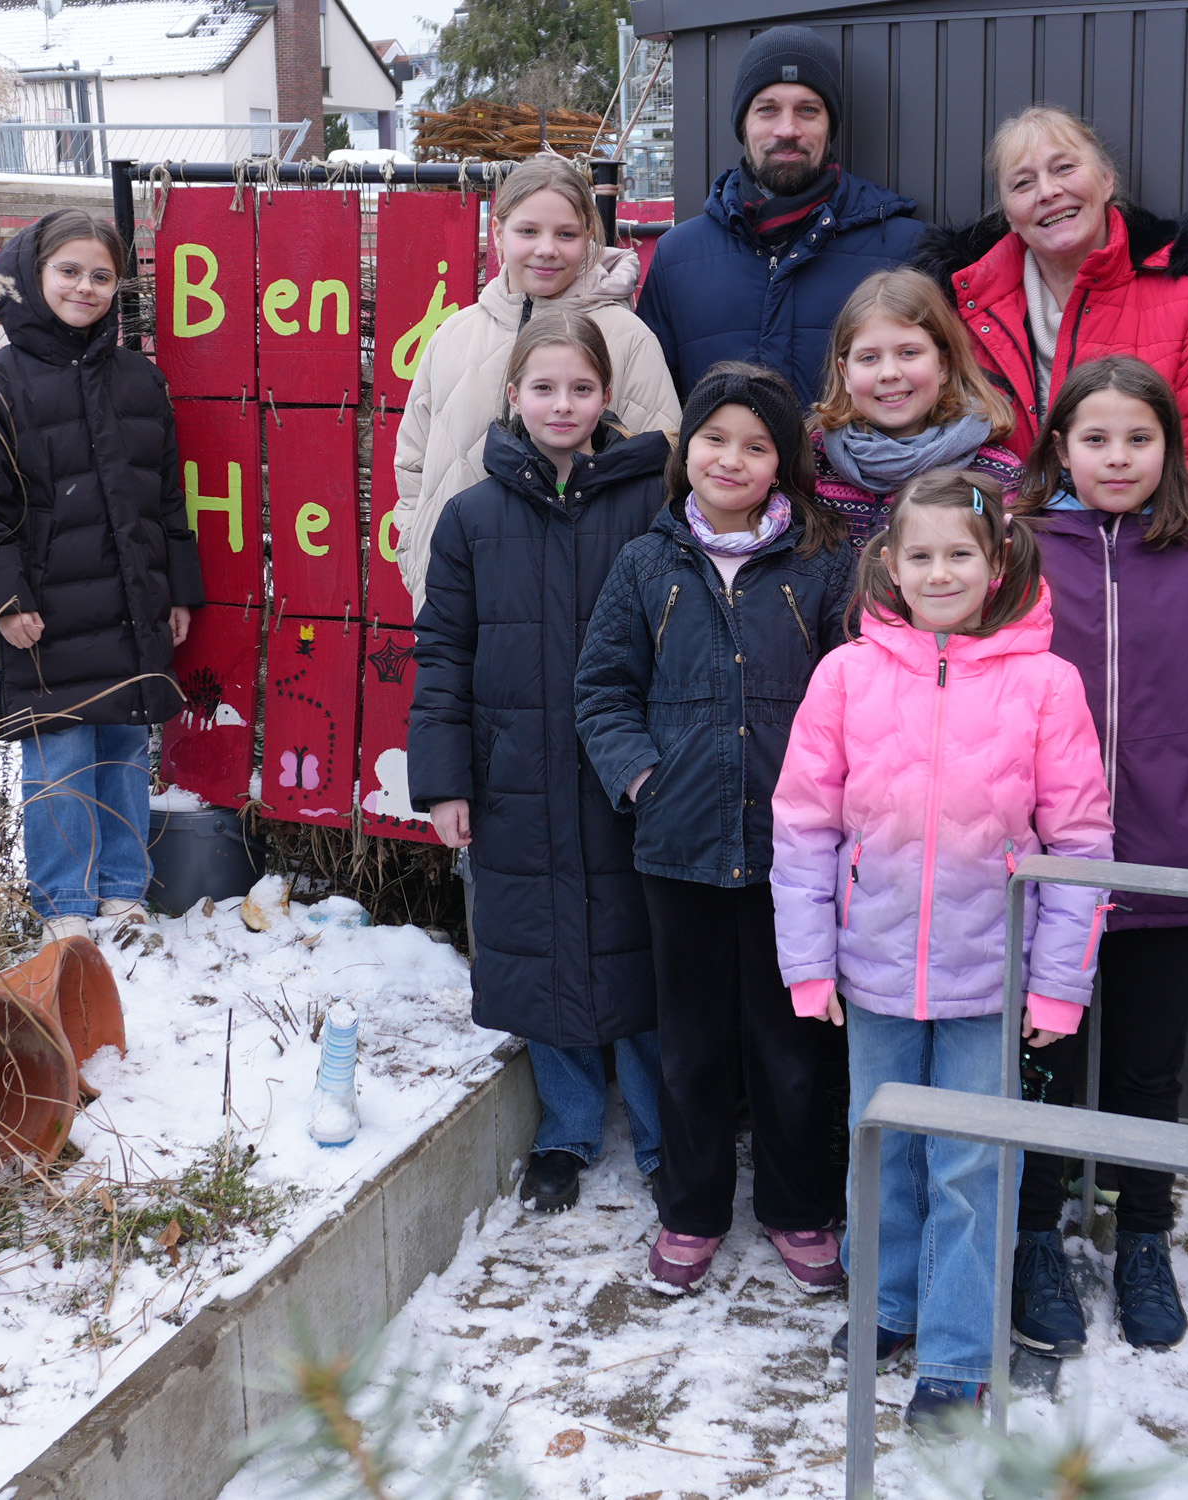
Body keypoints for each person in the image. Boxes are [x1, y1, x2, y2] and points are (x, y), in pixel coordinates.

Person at [770, 469, 1113, 1433]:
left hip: (991, 977)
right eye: (919, 554)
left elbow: (1081, 843)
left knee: (972, 1163)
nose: (940, 571)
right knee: (881, 1148)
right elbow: (803, 824)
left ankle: (961, 1353)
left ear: (998, 560)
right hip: (871, 964)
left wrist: (1056, 986)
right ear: (889, 562)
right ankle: (887, 1306)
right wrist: (809, 961)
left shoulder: (1047, 684)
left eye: (960, 552)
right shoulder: (847, 674)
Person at [1006, 356, 1188, 1353]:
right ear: (1059, 450)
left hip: (1170, 864)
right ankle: (1032, 1236)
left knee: (1144, 1073)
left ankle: (1139, 1238)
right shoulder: (1020, 554)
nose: (1116, 457)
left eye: (1137, 438)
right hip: (1044, 875)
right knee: (1040, 1059)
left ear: (1166, 449)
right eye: (1094, 438)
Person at [574, 363, 854, 1298]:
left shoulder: (821, 564)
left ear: (785, 463)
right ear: (685, 448)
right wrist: (643, 777)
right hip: (680, 847)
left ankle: (798, 1205)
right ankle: (691, 1213)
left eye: (756, 444)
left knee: (793, 1043)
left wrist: (839, 800)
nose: (731, 459)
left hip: (794, 852)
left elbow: (859, 688)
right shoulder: (648, 561)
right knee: (690, 1045)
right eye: (714, 439)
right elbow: (602, 688)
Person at [408, 310, 673, 1215]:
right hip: (512, 769)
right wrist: (444, 779)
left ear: (607, 397)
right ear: (513, 396)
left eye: (582, 387)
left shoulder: (652, 502)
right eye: (544, 387)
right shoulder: (472, 517)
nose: (564, 404)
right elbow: (441, 652)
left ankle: (659, 1131)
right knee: (538, 949)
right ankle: (565, 1124)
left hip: (623, 772)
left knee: (636, 950)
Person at [0, 208, 203, 942]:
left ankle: (123, 890)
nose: (85, 288)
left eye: (101, 276)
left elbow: (165, 496)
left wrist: (176, 588)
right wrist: (3, 602)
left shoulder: (139, 381)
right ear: (32, 275)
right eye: (68, 272)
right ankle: (64, 904)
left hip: (127, 604)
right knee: (57, 759)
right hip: (45, 614)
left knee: (123, 748)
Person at [912, 104, 1188, 533]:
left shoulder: (1187, 295)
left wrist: (1140, 558)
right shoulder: (962, 305)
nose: (1048, 192)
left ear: (1107, 179)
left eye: (1064, 168)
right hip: (1001, 567)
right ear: (1009, 217)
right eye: (1023, 183)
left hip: (1138, 560)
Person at [394, 153, 679, 614]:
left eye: (565, 234)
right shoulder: (454, 335)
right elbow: (413, 461)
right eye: (528, 231)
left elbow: (663, 471)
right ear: (498, 232)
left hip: (580, 609)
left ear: (588, 236)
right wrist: (416, 550)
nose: (546, 248)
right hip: (453, 603)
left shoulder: (626, 339)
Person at [636, 25, 925, 406]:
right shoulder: (677, 257)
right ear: (744, 124)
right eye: (767, 109)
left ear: (830, 124)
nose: (787, 129)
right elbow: (652, 416)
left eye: (808, 110)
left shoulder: (907, 249)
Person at [811, 267, 1026, 546]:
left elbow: (1009, 574)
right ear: (845, 374)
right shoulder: (814, 462)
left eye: (908, 353)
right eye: (869, 358)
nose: (889, 373)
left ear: (943, 365)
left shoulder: (996, 474)